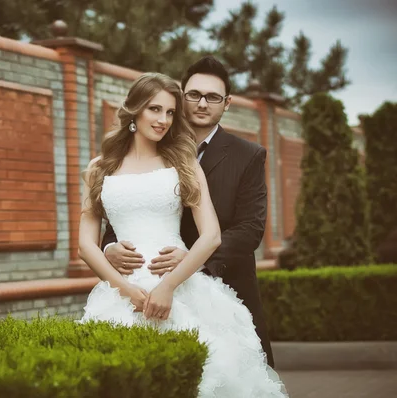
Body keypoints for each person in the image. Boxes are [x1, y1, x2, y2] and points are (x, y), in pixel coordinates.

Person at [78, 72, 286, 397]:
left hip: (180, 286)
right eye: (154, 109)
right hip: (121, 292)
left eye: (170, 112)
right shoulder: (98, 168)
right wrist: (125, 290)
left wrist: (169, 284)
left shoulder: (184, 163)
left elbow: (212, 236)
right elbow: (85, 245)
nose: (162, 120)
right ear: (134, 110)